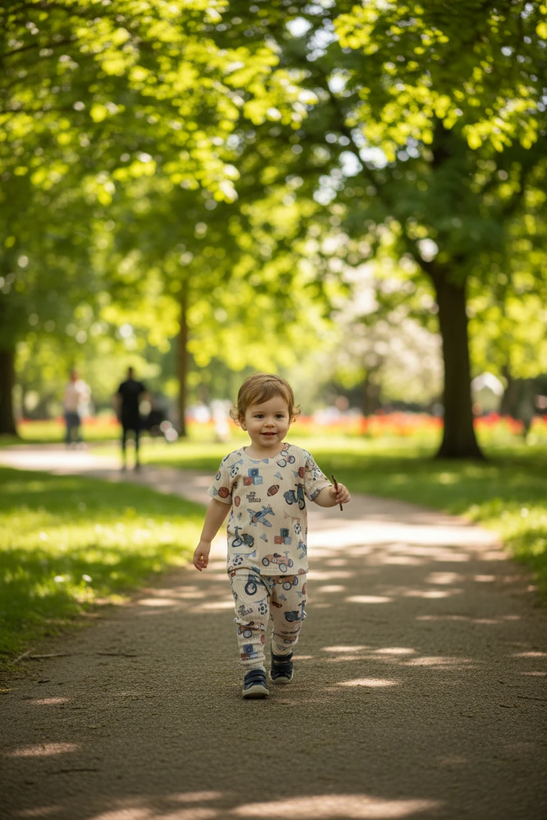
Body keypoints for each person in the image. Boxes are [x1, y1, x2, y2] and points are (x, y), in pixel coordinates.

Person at [193, 373, 351, 699]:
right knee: (250, 613)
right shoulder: (234, 463)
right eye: (259, 415)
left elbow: (318, 491)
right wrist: (206, 540)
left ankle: (282, 652)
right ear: (241, 419)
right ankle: (253, 671)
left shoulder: (299, 459)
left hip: (290, 559)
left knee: (290, 617)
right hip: (245, 556)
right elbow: (219, 502)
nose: (270, 424)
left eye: (278, 416)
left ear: (291, 417)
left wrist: (332, 495)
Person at [114, 367, 148, 470]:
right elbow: (117, 399)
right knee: (125, 439)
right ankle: (125, 461)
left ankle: (137, 461)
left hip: (135, 415)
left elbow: (146, 397)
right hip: (126, 415)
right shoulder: (123, 385)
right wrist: (118, 412)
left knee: (136, 439)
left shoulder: (138, 385)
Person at [63, 370, 90, 447]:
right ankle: (69, 442)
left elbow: (85, 395)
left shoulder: (81, 384)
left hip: (78, 408)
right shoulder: (68, 385)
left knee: (78, 426)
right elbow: (66, 397)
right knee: (69, 427)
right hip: (69, 408)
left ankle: (79, 441)